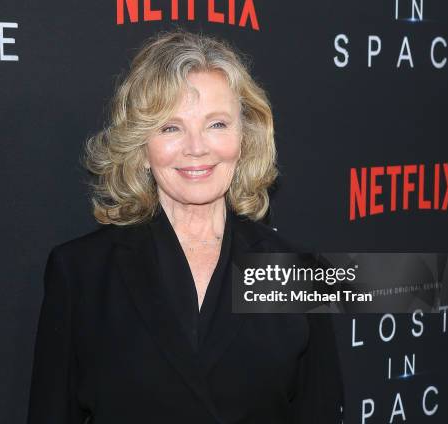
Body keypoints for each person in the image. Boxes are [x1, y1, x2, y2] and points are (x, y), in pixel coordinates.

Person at [27, 28, 343, 424]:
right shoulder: (81, 274)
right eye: (171, 127)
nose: (197, 147)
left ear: (244, 138)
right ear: (141, 148)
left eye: (217, 124)